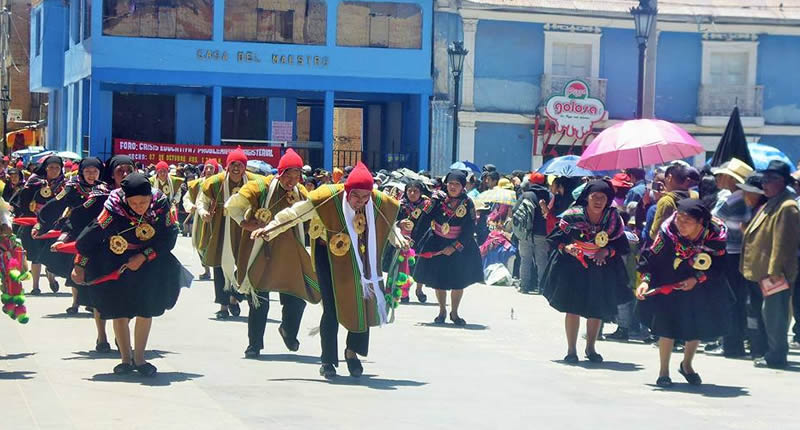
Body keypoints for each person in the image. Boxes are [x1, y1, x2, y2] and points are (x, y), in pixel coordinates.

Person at [254, 162, 408, 378]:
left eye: (366, 198)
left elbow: (388, 225)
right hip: (329, 258)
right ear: (347, 191)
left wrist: (398, 238)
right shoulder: (327, 197)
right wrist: (269, 228)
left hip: (362, 259)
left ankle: (352, 353)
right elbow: (295, 214)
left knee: (362, 303)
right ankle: (328, 361)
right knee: (332, 309)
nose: (361, 202)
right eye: (356, 197)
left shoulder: (376, 202)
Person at [72, 173, 190, 377]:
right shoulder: (112, 209)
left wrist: (144, 256)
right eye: (134, 203)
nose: (139, 207)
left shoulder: (161, 204)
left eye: (143, 202)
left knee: (146, 309)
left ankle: (140, 358)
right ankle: (125, 359)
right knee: (120, 310)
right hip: (117, 261)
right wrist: (79, 265)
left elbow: (169, 237)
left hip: (150, 261)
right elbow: (89, 238)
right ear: (125, 198)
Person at [225, 149, 318, 359]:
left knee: (295, 296)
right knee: (259, 298)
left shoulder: (301, 192)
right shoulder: (260, 186)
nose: (292, 181)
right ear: (280, 172)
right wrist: (244, 223)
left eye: (297, 177)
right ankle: (254, 344)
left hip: (290, 252)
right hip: (261, 250)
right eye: (288, 176)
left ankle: (288, 330)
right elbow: (233, 205)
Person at [635, 198, 732, 388]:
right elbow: (651, 257)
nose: (681, 224)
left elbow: (719, 264)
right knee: (666, 325)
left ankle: (687, 364)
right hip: (669, 277)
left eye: (687, 221)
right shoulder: (667, 232)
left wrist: (697, 279)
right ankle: (664, 371)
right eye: (679, 218)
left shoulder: (716, 234)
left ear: (700, 223)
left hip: (700, 282)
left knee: (694, 325)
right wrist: (645, 281)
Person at [541, 180, 632, 363]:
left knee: (596, 309)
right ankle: (571, 350)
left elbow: (621, 244)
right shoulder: (572, 215)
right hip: (573, 267)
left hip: (600, 268)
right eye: (594, 197)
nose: (598, 201)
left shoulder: (613, 218)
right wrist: (568, 248)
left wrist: (606, 251)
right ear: (587, 198)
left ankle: (591, 348)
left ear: (608, 200)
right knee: (572, 308)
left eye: (602, 198)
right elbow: (555, 239)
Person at [741, 160, 800, 369]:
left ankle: (776, 355)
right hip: (764, 272)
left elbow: (783, 243)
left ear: (782, 181)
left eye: (769, 180)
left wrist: (775, 272)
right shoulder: (772, 202)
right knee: (769, 313)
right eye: (763, 180)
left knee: (774, 315)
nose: (764, 184)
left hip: (775, 274)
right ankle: (772, 352)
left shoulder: (787, 207)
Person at [413, 170, 483, 325]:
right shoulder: (437, 200)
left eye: (457, 184)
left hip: (459, 246)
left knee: (458, 281)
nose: (453, 187)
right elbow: (424, 219)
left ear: (463, 186)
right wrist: (414, 238)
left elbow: (471, 228)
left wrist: (455, 246)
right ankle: (442, 311)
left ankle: (455, 313)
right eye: (450, 183)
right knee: (440, 280)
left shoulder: (468, 203)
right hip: (437, 242)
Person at [196, 148, 259, 319]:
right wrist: (203, 213)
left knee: (246, 262)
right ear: (227, 166)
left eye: (240, 164)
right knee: (219, 264)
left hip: (245, 227)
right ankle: (223, 305)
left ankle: (235, 296)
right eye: (233, 164)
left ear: (245, 167)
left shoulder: (254, 182)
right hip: (221, 227)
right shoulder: (215, 182)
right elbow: (202, 201)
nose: (236, 168)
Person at [709, 158, 755, 358]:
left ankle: (731, 344)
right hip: (738, 256)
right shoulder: (743, 198)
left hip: (729, 255)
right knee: (737, 300)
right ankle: (733, 342)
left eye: (722, 175)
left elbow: (712, 223)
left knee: (728, 300)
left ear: (730, 178)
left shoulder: (732, 201)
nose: (718, 178)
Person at [11, 156, 66, 295]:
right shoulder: (34, 182)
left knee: (50, 253)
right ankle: (35, 287)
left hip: (54, 224)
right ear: (45, 168)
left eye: (57, 168)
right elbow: (23, 199)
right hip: (34, 223)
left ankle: (50, 276)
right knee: (35, 255)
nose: (54, 170)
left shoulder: (65, 185)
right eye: (51, 167)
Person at [183, 159, 219, 281]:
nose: (208, 170)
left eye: (211, 168)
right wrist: (190, 207)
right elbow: (186, 198)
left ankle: (218, 270)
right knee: (199, 243)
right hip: (200, 218)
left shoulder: (220, 183)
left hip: (217, 218)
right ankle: (206, 269)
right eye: (207, 168)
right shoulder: (197, 184)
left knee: (215, 243)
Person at [396, 180, 429, 303]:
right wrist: (400, 223)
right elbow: (393, 221)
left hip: (421, 238)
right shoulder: (400, 205)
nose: (412, 193)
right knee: (404, 267)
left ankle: (419, 290)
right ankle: (404, 293)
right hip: (404, 240)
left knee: (420, 265)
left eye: (415, 191)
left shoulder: (427, 205)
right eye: (409, 191)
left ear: (420, 192)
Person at [649, 163, 692, 240]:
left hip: (671, 249)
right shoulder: (694, 195)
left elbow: (655, 234)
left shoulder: (665, 202)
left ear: (669, 177)